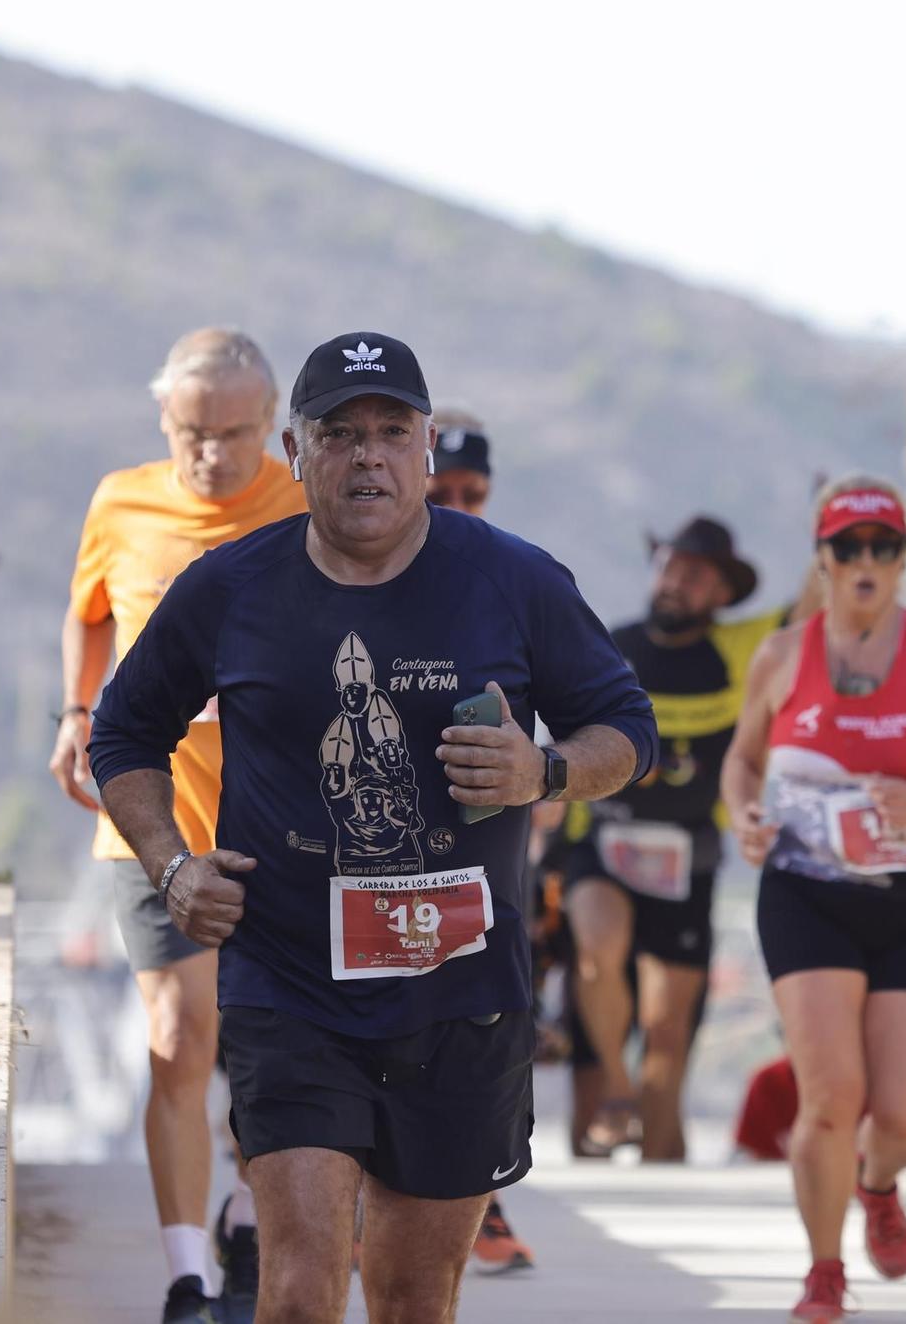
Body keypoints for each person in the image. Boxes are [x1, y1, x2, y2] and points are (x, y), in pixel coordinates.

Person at [87, 331, 658, 1324]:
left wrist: (547, 769)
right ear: (296, 452)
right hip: (291, 982)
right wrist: (171, 864)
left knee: (408, 1295)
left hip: (460, 991)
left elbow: (630, 730)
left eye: (391, 431)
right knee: (303, 1285)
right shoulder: (231, 586)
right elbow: (123, 729)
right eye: (340, 434)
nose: (367, 456)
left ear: (427, 447)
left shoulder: (512, 580)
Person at [49, 326, 299, 1324]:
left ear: (271, 423)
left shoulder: (302, 504)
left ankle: (249, 1215)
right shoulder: (121, 498)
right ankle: (189, 1274)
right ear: (164, 419)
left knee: (269, 1050)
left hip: (282, 827)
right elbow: (91, 606)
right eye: (193, 432)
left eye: (235, 433)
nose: (212, 455)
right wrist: (77, 710)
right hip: (149, 820)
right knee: (177, 1035)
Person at [722, 476, 906, 1324]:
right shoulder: (782, 656)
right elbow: (743, 762)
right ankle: (824, 1270)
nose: (867, 561)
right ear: (824, 559)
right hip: (806, 894)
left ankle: (879, 1181)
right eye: (850, 547)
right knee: (831, 1095)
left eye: (884, 546)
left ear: (905, 558)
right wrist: (748, 818)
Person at [563, 516, 779, 1161]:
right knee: (597, 952)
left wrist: (830, 527)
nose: (676, 582)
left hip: (689, 856)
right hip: (600, 838)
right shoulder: (609, 642)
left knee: (667, 1031)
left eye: (695, 574)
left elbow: (814, 609)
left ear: (720, 593)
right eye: (669, 566)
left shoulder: (741, 650)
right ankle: (616, 1094)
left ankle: (658, 1154)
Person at [419, 408, 535, 1277]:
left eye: (474, 493)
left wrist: (543, 783)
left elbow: (592, 726)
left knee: (470, 1042)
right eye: (443, 488)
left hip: (480, 875)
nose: (458, 505)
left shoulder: (512, 582)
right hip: (356, 871)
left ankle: (481, 1207)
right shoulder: (345, 571)